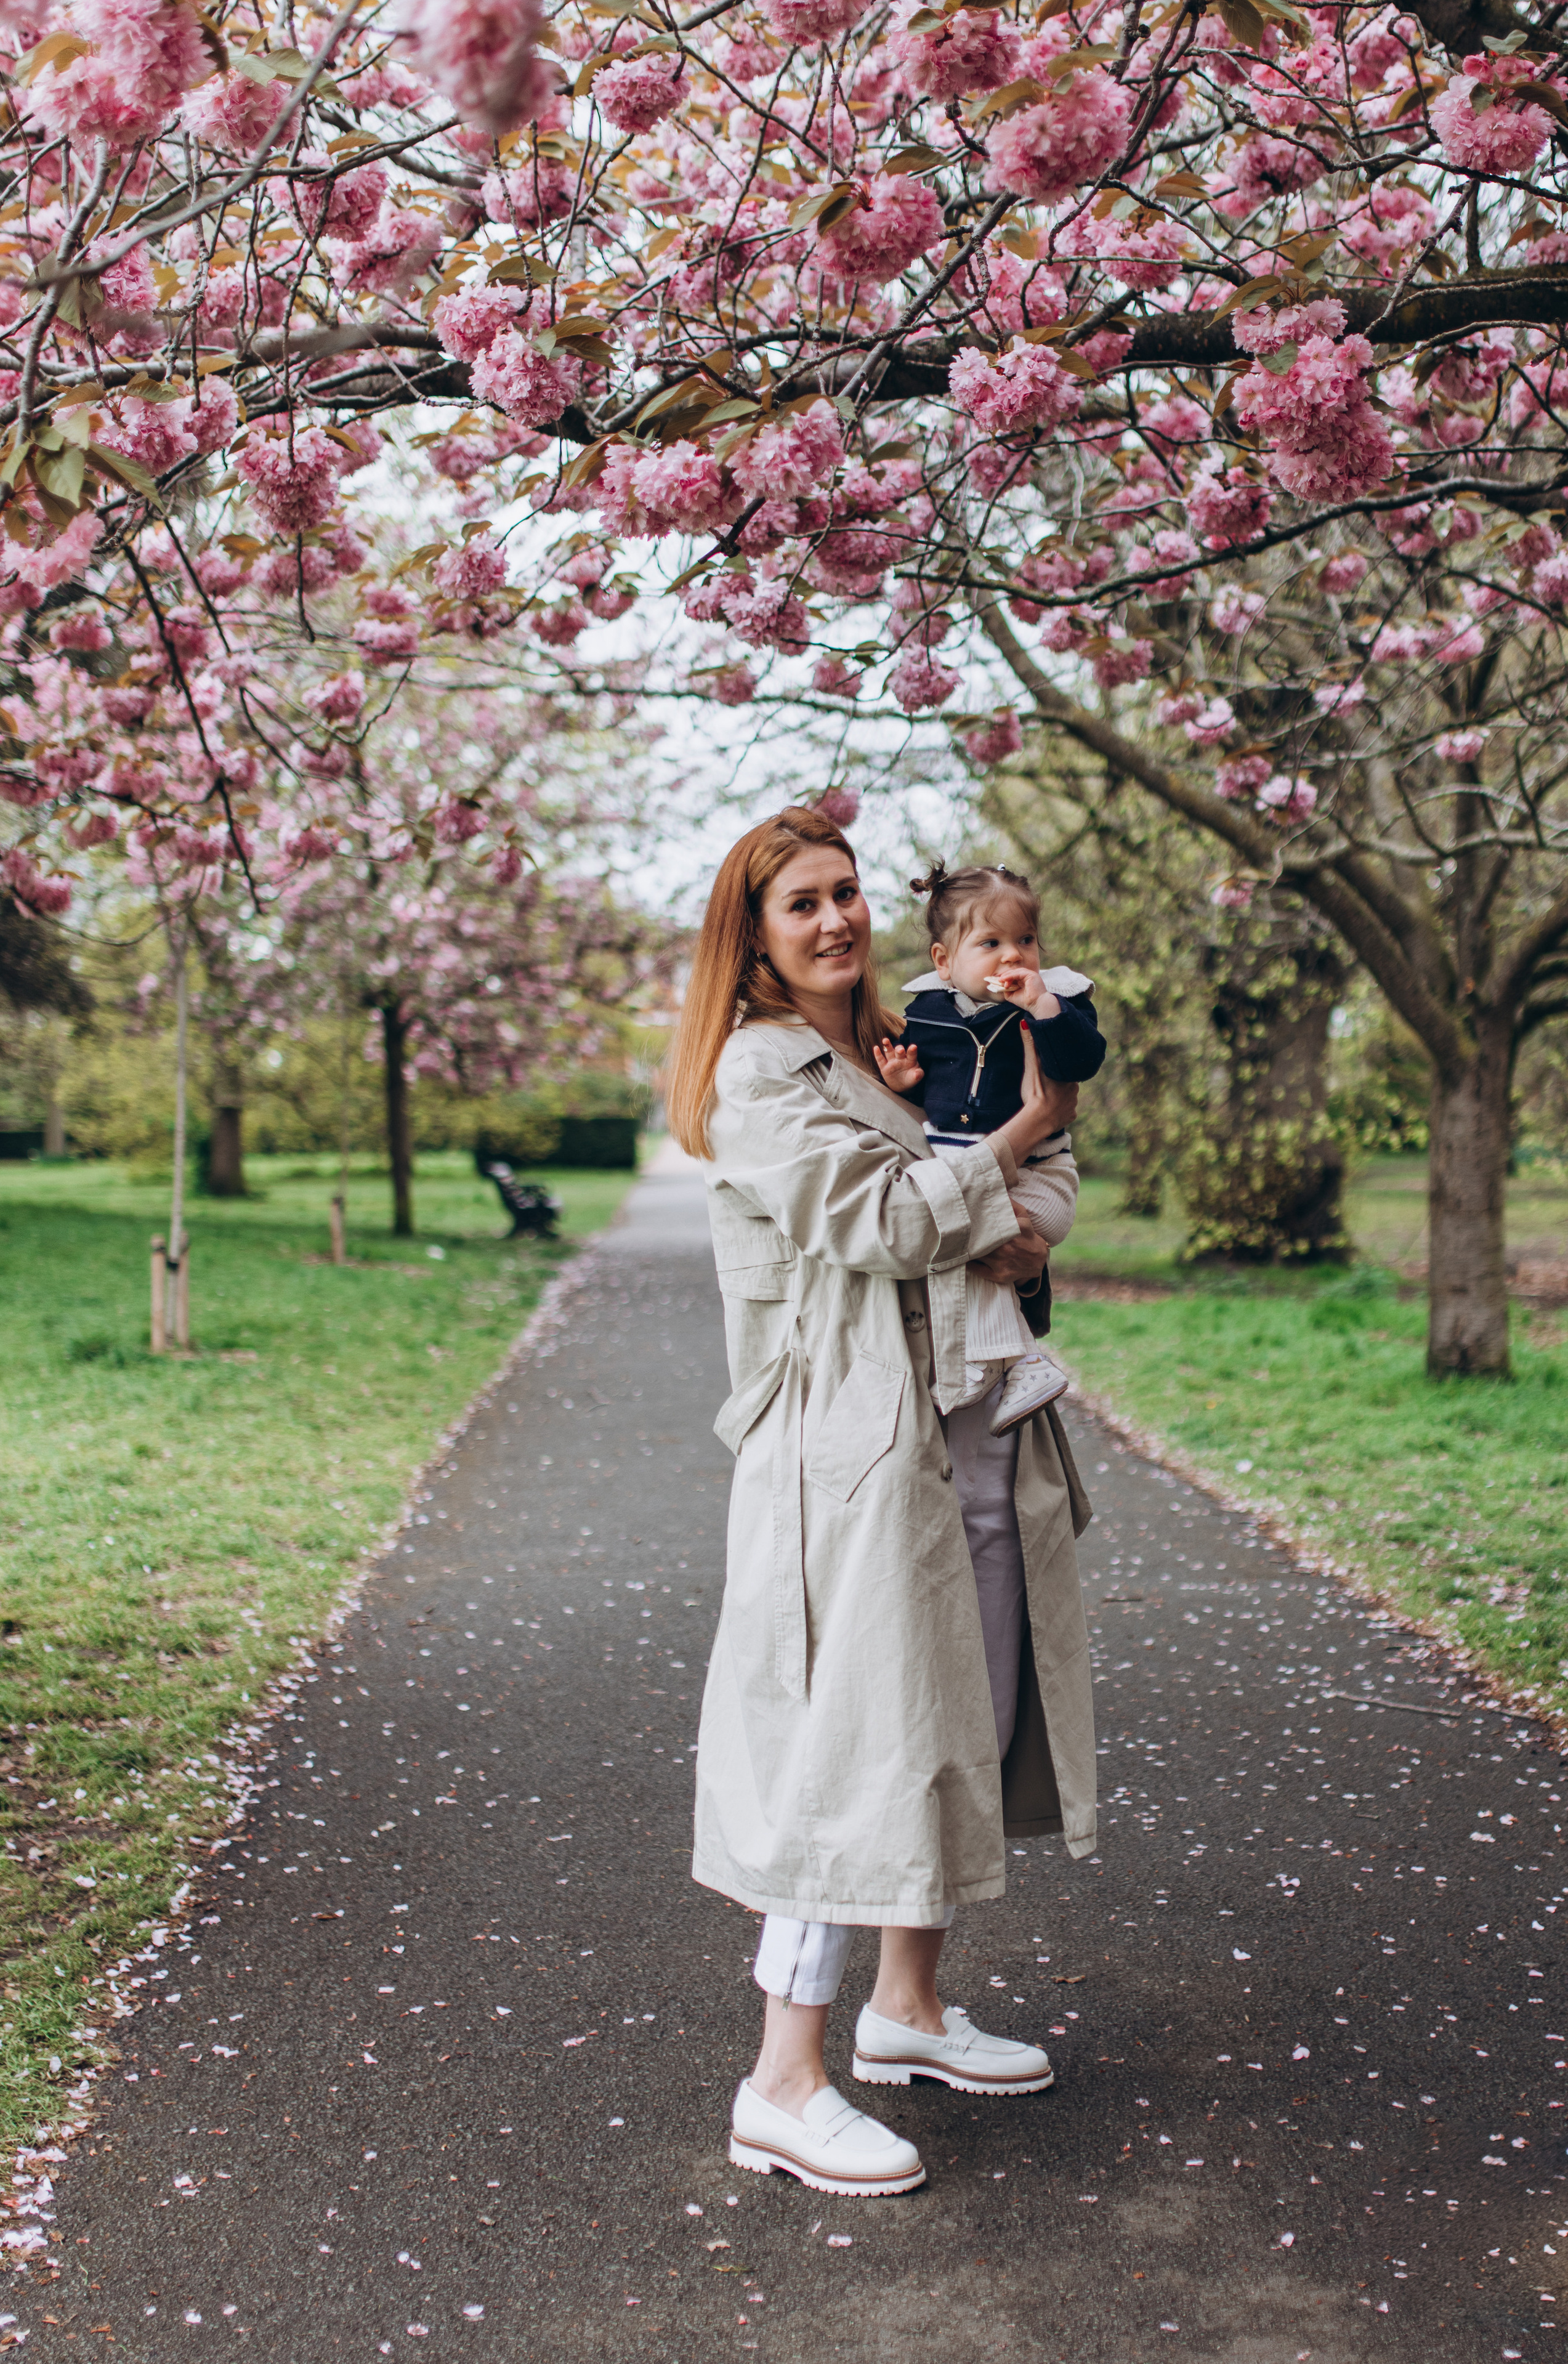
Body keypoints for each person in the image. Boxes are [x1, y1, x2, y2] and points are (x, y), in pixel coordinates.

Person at [665, 806, 1098, 2201]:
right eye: (802, 902)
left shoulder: (885, 1050)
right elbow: (882, 1225)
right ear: (755, 934)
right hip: (840, 1452)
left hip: (948, 1421)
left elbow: (949, 1200)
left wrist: (998, 1178)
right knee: (841, 1742)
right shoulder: (759, 1069)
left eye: (845, 892)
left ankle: (905, 2009)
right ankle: (780, 2083)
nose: (835, 918)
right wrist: (1026, 1133)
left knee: (953, 1703)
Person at [874, 859, 1106, 1439]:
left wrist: (1044, 1009)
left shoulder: (1061, 1000)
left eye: (1025, 940)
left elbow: (1082, 1063)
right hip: (970, 1171)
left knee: (973, 1228)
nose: (1013, 957)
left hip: (1039, 1178)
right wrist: (905, 1082)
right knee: (962, 1234)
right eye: (991, 943)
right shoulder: (927, 1015)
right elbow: (931, 1086)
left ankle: (1017, 1361)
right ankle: (1009, 1361)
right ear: (944, 961)